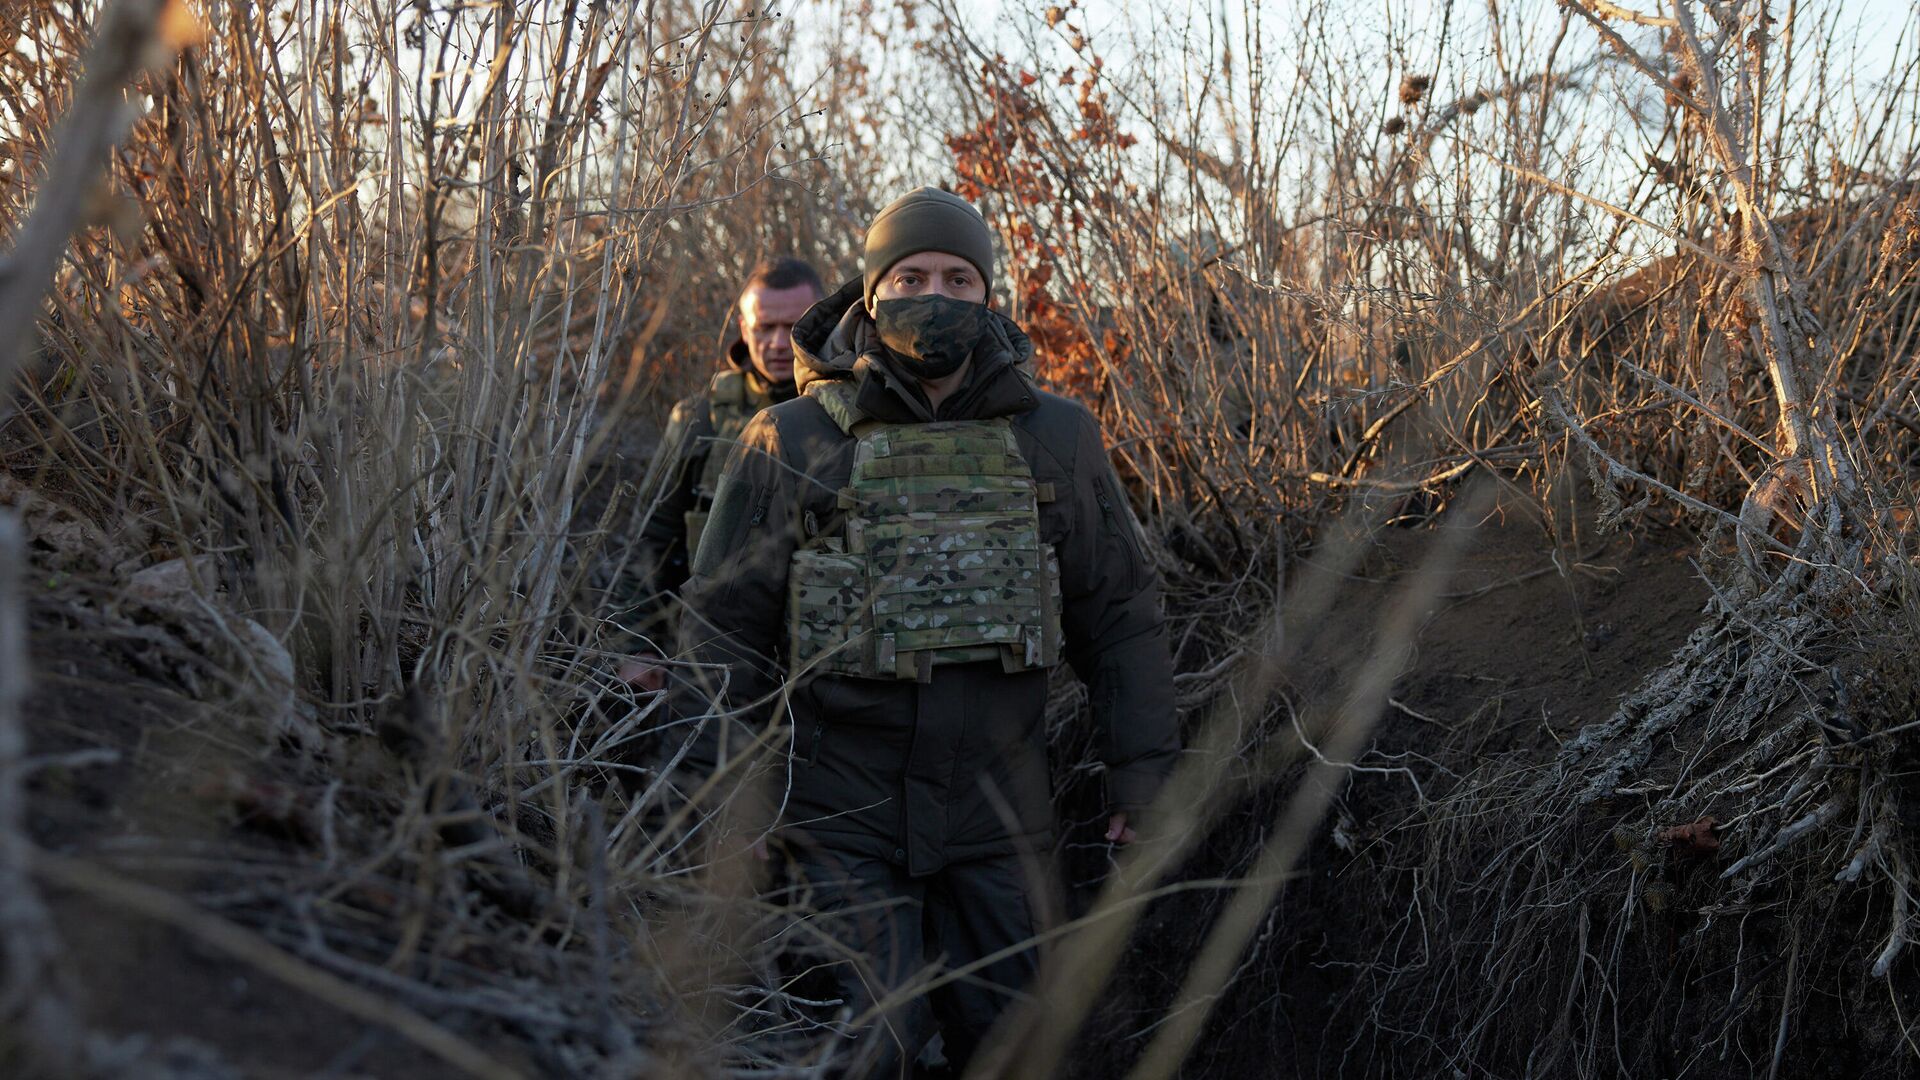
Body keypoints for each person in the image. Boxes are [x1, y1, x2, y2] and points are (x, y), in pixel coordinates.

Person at [673, 188, 1178, 1077]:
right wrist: (731, 793)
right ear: (871, 294)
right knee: (868, 1047)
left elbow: (1121, 617)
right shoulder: (789, 438)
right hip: (840, 813)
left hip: (1001, 814)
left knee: (1019, 1047)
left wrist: (1139, 778)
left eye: (957, 277)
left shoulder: (1055, 437)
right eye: (910, 276)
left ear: (988, 296)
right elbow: (725, 629)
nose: (934, 295)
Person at [613, 257, 825, 689]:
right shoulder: (701, 418)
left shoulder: (850, 412)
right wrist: (636, 645)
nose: (780, 343)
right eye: (765, 328)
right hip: (716, 654)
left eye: (793, 326)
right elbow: (653, 536)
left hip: (823, 658)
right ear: (744, 331)